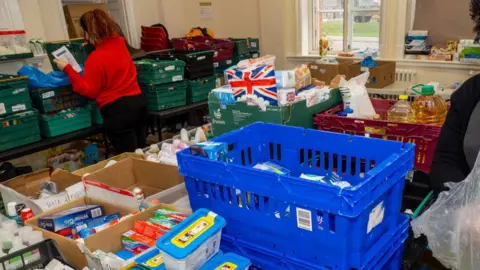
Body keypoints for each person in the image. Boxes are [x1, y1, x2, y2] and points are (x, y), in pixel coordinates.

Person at [53, 9, 147, 154]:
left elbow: (89, 91)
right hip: (138, 104)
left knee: (130, 157)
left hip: (118, 112)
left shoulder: (95, 58)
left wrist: (67, 69)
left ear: (88, 32)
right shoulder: (120, 45)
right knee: (141, 152)